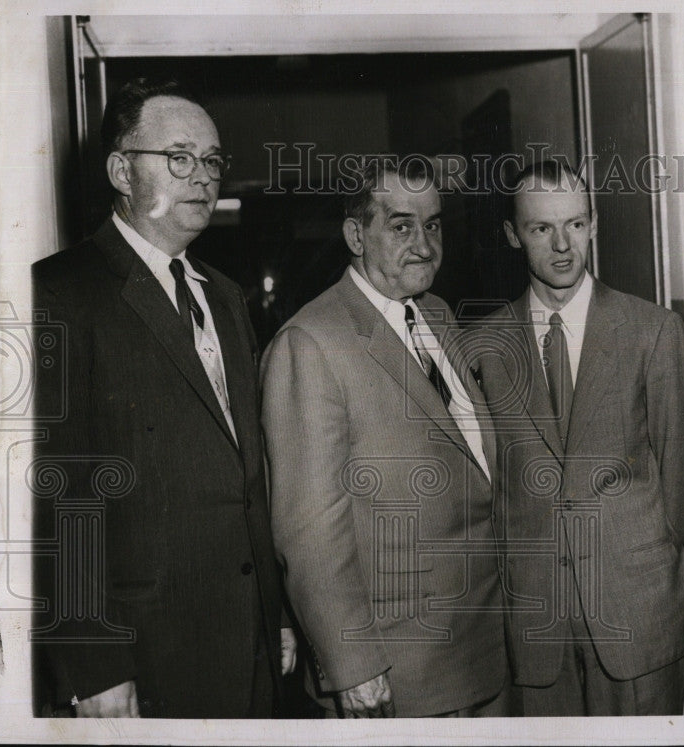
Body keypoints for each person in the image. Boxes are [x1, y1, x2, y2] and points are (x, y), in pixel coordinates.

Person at [32, 78, 294, 717]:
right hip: (146, 654)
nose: (201, 176)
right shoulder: (58, 293)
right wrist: (92, 661)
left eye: (211, 161)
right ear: (122, 170)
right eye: (179, 157)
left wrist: (276, 613)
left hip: (249, 644)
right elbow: (58, 492)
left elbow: (247, 478)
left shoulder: (226, 297)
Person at [260, 157, 508, 718]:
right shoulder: (311, 342)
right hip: (396, 676)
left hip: (481, 656)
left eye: (434, 224)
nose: (424, 244)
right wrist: (353, 666)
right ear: (355, 234)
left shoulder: (439, 316)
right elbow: (309, 530)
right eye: (401, 226)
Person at [471, 160, 684, 716]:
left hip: (637, 615)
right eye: (540, 228)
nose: (562, 245)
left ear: (594, 224)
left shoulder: (653, 331)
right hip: (534, 623)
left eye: (575, 224)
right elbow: (488, 486)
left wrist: (639, 559)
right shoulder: (481, 347)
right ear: (511, 234)